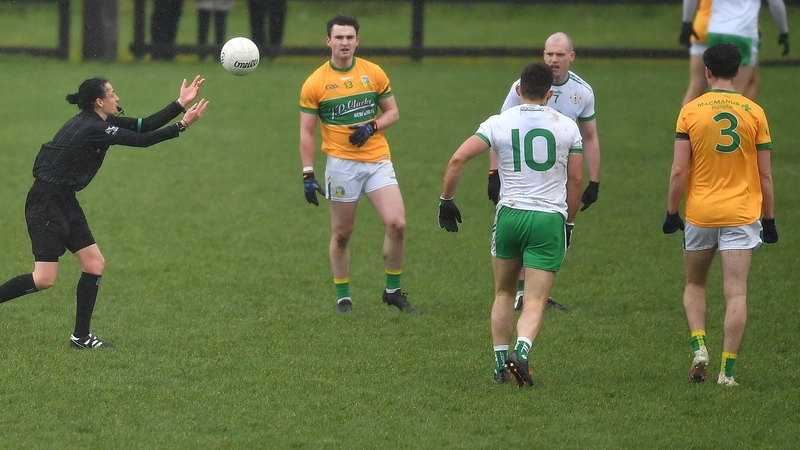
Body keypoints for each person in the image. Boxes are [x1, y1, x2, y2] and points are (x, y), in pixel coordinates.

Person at [0, 76, 209, 349]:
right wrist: (182, 125)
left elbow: (143, 126)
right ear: (100, 101)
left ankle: (81, 337)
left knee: (94, 264)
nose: (117, 98)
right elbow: (142, 141)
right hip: (46, 202)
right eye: (112, 93)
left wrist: (180, 103)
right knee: (43, 279)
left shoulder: (100, 121)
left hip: (64, 199)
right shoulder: (92, 128)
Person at [438, 62, 583, 386]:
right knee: (534, 300)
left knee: (504, 292)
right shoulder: (567, 127)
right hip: (548, 218)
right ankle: (523, 350)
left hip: (510, 216)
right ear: (549, 93)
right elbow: (575, 179)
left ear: (518, 91)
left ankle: (500, 365)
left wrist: (447, 201)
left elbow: (458, 159)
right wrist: (569, 224)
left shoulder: (498, 122)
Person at [663, 43, 777, 387]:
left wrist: (672, 212)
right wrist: (768, 220)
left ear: (707, 71)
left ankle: (700, 346)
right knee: (736, 293)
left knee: (695, 284)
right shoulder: (754, 112)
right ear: (739, 71)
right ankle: (727, 372)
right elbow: (766, 174)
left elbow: (679, 170)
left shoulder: (690, 111)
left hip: (700, 213)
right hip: (742, 214)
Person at [298, 15, 417, 314]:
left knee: (397, 224)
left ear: (357, 41)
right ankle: (343, 297)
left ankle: (393, 290)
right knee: (342, 233)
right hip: (341, 165)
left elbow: (393, 113)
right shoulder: (315, 83)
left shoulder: (373, 73)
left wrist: (372, 127)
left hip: (377, 160)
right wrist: (307, 173)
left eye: (350, 37)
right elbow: (306, 132)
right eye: (338, 37)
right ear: (328, 41)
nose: (344, 43)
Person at [489, 32, 599, 312]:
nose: (553, 59)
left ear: (571, 57)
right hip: (523, 170)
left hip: (559, 172)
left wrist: (594, 179)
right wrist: (494, 172)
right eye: (549, 54)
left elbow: (590, 137)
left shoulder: (582, 92)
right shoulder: (522, 86)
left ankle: (529, 294)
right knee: (534, 226)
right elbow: (498, 129)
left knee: (548, 231)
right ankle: (523, 294)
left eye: (560, 55)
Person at [680, 0, 790, 104]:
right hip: (742, 32)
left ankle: (691, 122)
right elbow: (776, 4)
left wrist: (686, 22)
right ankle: (732, 123)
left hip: (716, 30)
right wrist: (784, 31)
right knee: (733, 95)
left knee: (721, 89)